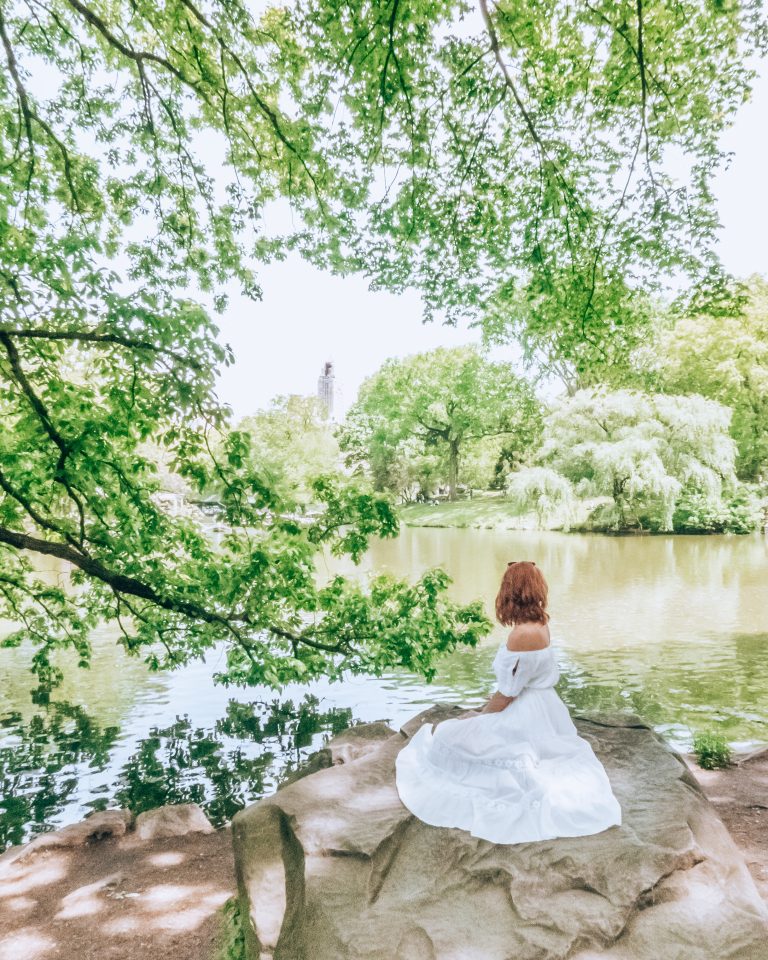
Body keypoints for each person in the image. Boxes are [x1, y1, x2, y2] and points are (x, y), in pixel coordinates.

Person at [394, 561, 622, 844]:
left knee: (446, 738)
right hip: (545, 707)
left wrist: (477, 716)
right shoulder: (541, 623)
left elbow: (508, 693)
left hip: (524, 712)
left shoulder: (522, 634)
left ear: (510, 591)